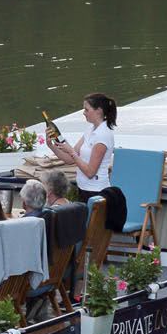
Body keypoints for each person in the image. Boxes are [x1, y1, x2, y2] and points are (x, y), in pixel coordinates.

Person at [46, 92, 123, 232]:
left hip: (96, 192)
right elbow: (70, 159)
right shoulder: (90, 130)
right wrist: (52, 146)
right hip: (83, 189)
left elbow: (90, 172)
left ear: (98, 110)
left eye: (86, 109)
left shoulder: (103, 135)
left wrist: (72, 152)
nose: (83, 113)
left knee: (90, 235)